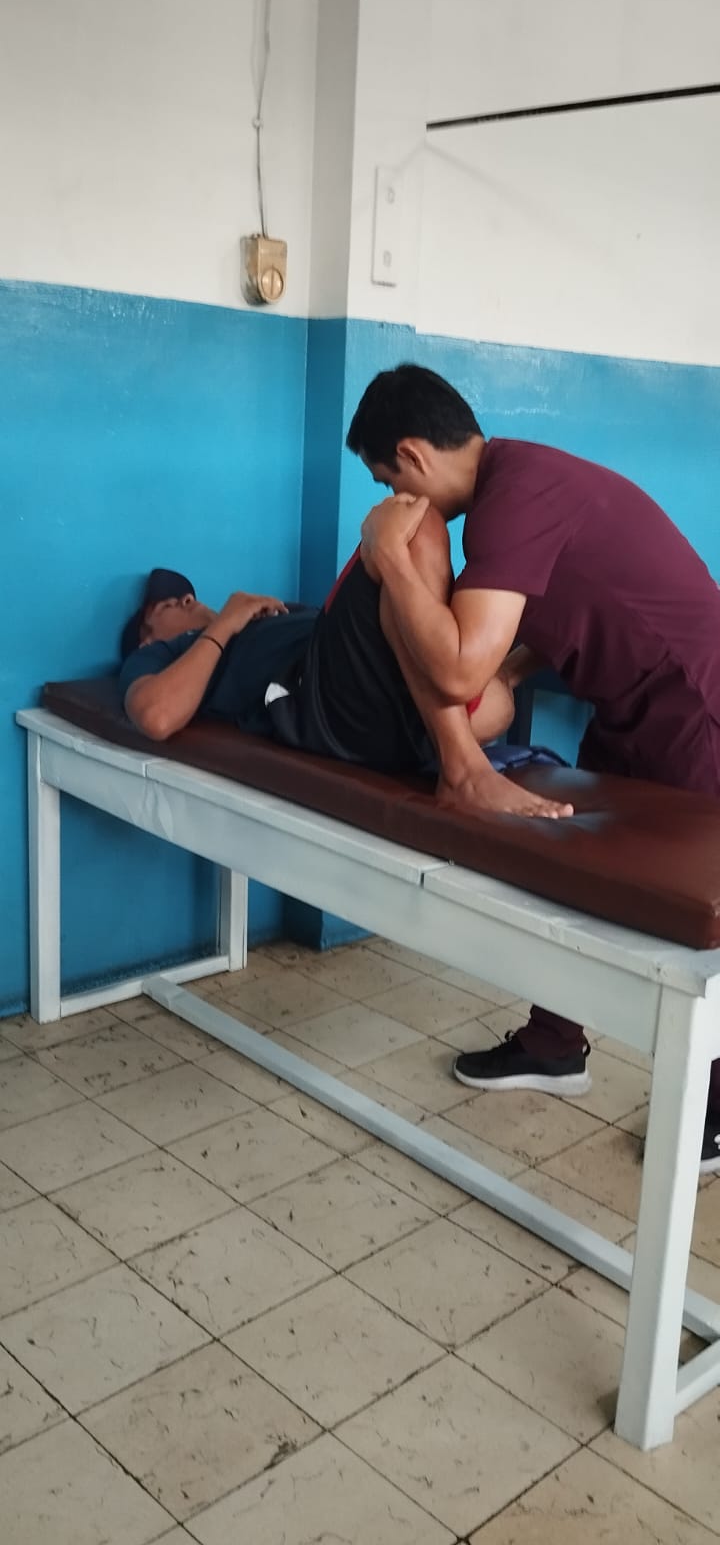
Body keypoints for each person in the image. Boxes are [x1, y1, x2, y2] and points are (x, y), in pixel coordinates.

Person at [347, 362, 720, 1171]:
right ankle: (555, 1045)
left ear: (411, 455)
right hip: (627, 704)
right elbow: (576, 598)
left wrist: (391, 558)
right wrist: (514, 670)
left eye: (389, 482)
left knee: (706, 908)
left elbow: (455, 669)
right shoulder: (517, 481)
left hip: (696, 703)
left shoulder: (510, 502)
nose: (397, 500)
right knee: (580, 874)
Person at [118, 531, 517, 770]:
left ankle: (518, 665)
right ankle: (463, 763)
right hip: (313, 689)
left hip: (357, 665)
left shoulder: (266, 616)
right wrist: (224, 623)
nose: (189, 600)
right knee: (411, 528)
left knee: (496, 695)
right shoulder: (158, 656)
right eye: (166, 607)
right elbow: (157, 717)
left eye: (187, 596)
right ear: (145, 639)